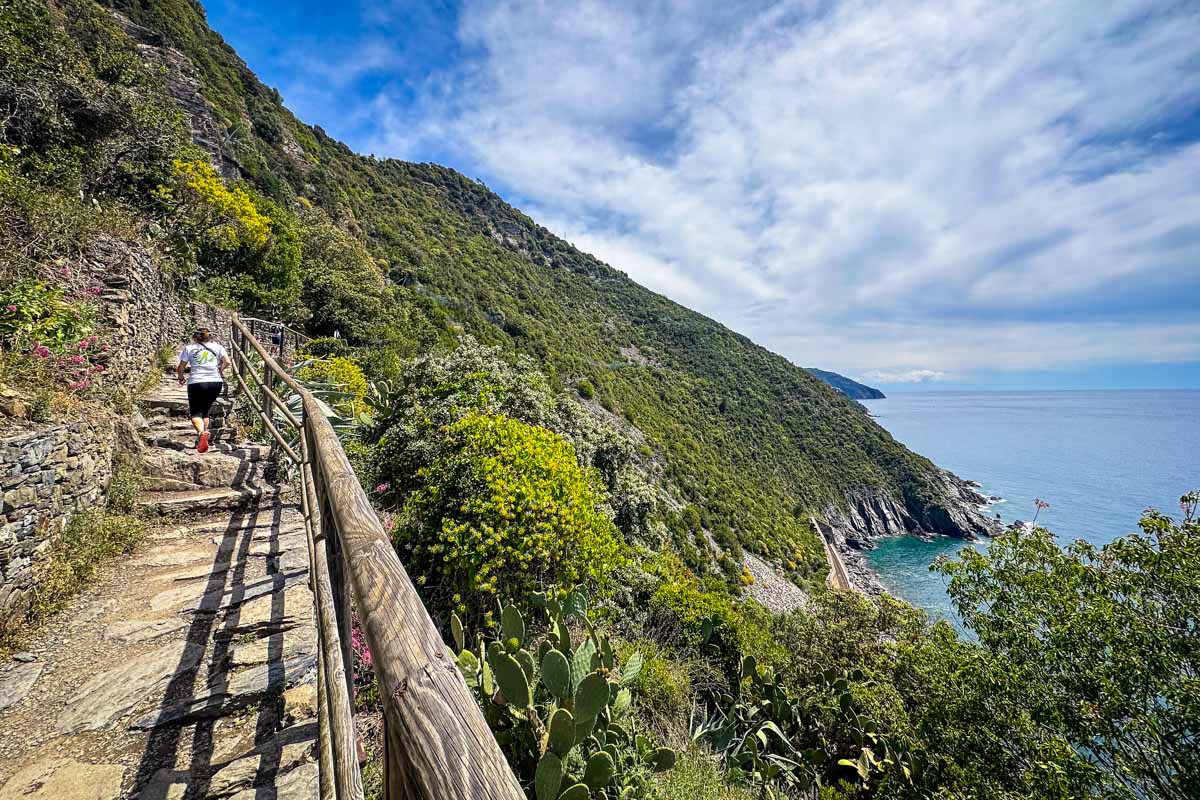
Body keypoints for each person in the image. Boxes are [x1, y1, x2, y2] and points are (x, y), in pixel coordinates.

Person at [176, 328, 231, 453]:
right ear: (209, 337)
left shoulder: (189, 348)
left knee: (195, 412)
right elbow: (227, 362)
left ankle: (201, 433)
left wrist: (181, 377)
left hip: (197, 382)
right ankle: (202, 436)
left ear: (195, 337)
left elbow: (180, 367)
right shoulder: (218, 347)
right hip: (215, 382)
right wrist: (220, 370)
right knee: (205, 410)